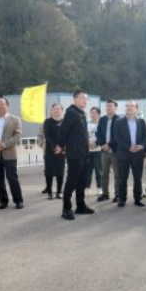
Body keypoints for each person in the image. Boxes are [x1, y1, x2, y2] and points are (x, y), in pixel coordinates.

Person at [58, 90, 95, 220]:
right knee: (72, 182)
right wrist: (61, 147)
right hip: (75, 154)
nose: (86, 100)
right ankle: (66, 209)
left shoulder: (81, 113)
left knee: (82, 181)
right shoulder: (71, 113)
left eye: (87, 98)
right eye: (83, 98)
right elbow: (62, 132)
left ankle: (80, 205)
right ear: (75, 99)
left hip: (84, 153)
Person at [112, 100, 146, 207]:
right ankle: (122, 199)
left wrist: (141, 146)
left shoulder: (141, 122)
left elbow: (145, 137)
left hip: (138, 154)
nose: (129, 108)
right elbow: (117, 138)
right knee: (123, 177)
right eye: (127, 106)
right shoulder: (119, 122)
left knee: (138, 177)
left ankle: (138, 198)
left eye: (131, 106)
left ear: (136, 109)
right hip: (124, 154)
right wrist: (129, 147)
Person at [96, 100, 120, 203]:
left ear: (115, 108)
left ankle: (118, 195)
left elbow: (118, 135)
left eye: (111, 106)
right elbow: (98, 133)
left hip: (115, 151)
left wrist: (109, 145)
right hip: (104, 151)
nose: (108, 108)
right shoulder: (102, 119)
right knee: (104, 174)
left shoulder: (119, 120)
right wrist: (102, 144)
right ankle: (105, 194)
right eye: (107, 106)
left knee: (117, 174)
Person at [42, 103, 65, 199]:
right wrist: (55, 146)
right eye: (55, 108)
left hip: (61, 151)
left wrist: (61, 147)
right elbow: (47, 136)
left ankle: (59, 192)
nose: (56, 110)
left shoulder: (64, 122)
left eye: (59, 109)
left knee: (60, 172)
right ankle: (50, 192)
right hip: (50, 151)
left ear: (61, 110)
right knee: (49, 172)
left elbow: (66, 136)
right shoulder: (47, 121)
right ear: (52, 110)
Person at [87, 106, 103, 196]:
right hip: (88, 151)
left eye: (95, 113)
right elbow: (84, 135)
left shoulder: (101, 125)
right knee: (88, 171)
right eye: (91, 112)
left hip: (98, 151)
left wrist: (96, 144)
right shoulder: (87, 124)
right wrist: (88, 144)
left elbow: (103, 137)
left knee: (98, 171)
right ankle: (87, 188)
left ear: (99, 114)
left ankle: (99, 188)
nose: (93, 114)